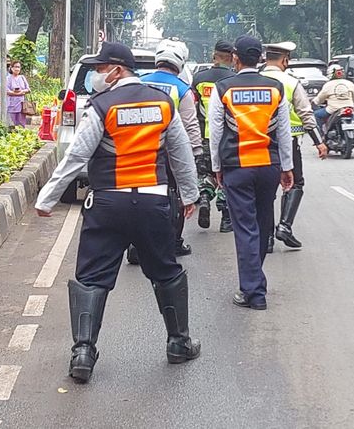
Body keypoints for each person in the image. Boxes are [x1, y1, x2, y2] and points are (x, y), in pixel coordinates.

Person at [35, 41, 201, 383]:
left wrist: (47, 198)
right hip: (154, 202)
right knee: (165, 271)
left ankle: (83, 352)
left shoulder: (101, 105)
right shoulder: (162, 103)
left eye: (100, 69)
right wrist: (190, 195)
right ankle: (178, 343)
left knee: (92, 276)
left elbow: (77, 157)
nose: (97, 75)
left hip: (108, 203)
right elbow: (181, 153)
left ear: (117, 70)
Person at [209, 35, 294, 310]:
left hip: (237, 167)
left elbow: (216, 132)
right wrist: (287, 167)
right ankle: (255, 281)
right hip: (268, 166)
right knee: (262, 223)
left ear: (235, 57)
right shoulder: (275, 88)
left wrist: (216, 167)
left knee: (245, 228)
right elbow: (283, 131)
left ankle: (253, 292)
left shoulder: (223, 88)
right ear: (259, 58)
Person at [261, 42, 327, 251]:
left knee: (266, 190)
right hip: (289, 142)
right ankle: (285, 227)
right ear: (285, 60)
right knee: (295, 183)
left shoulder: (257, 80)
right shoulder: (291, 82)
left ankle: (267, 238)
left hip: (261, 143)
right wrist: (319, 142)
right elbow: (306, 114)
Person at [140, 39, 202, 256]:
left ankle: (137, 246)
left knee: (140, 195)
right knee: (175, 196)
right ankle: (174, 243)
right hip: (170, 153)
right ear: (180, 64)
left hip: (139, 150)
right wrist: (196, 153)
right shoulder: (183, 89)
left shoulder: (139, 82)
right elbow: (190, 125)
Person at [191, 40, 236, 233]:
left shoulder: (199, 79)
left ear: (213, 56)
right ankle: (226, 219)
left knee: (205, 173)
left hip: (204, 136)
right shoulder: (234, 79)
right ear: (233, 58)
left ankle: (204, 199)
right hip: (229, 137)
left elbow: (192, 110)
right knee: (228, 175)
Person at [313, 64, 354, 132]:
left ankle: (321, 136)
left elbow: (320, 99)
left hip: (333, 109)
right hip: (349, 108)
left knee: (316, 115)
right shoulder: (350, 83)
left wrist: (315, 102)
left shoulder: (328, 85)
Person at [6, 60, 31, 127]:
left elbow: (28, 89)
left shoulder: (22, 77)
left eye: (19, 67)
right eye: (15, 67)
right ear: (11, 68)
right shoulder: (8, 78)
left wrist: (22, 91)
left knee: (21, 125)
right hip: (11, 105)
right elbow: (6, 91)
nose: (17, 69)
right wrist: (16, 93)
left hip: (22, 105)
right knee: (12, 125)